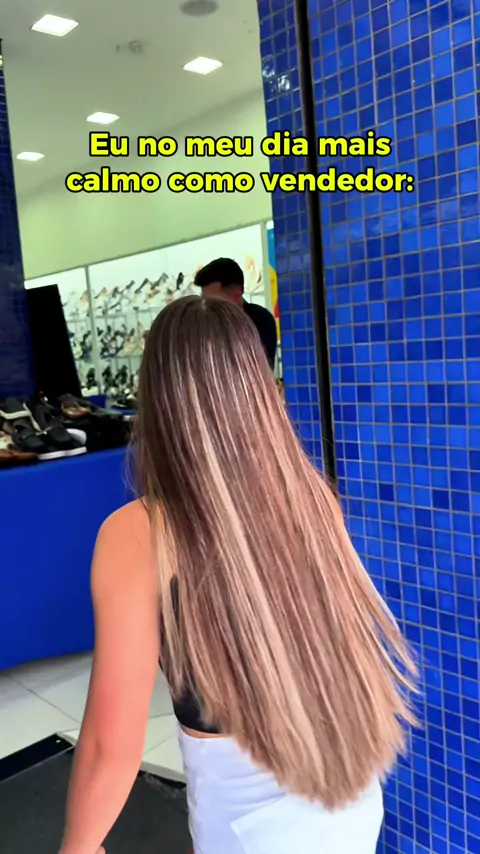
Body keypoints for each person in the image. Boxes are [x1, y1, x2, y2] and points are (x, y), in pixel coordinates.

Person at [59, 296, 416, 854]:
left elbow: (111, 747)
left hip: (248, 831)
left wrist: (76, 847)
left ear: (157, 399)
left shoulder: (138, 534)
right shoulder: (311, 498)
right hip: (350, 805)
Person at [194, 257, 278, 370]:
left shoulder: (260, 320)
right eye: (204, 300)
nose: (206, 306)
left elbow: (259, 369)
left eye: (214, 302)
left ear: (237, 295)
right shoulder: (203, 325)